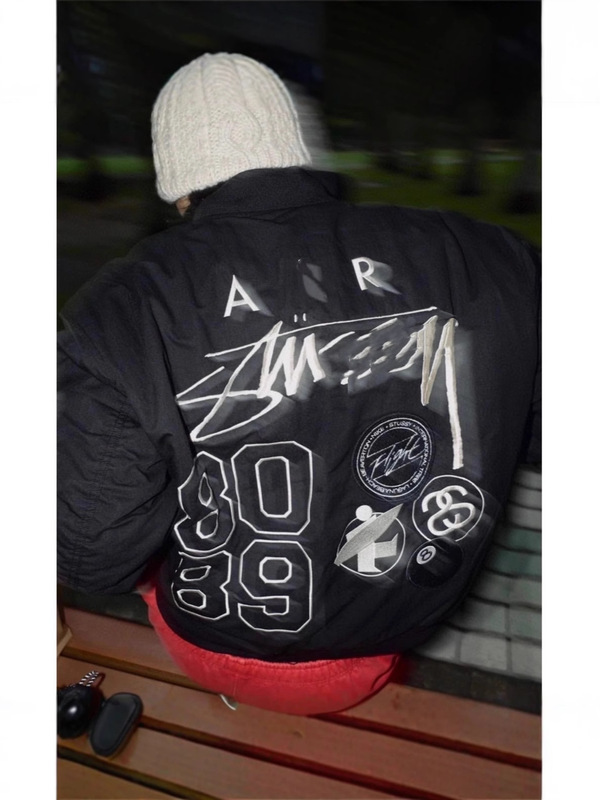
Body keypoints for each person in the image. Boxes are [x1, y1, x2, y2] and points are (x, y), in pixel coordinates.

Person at [58, 52, 540, 715]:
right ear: (297, 152)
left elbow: (92, 558)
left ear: (180, 191)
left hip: (215, 642)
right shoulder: (491, 256)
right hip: (400, 628)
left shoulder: (118, 308)